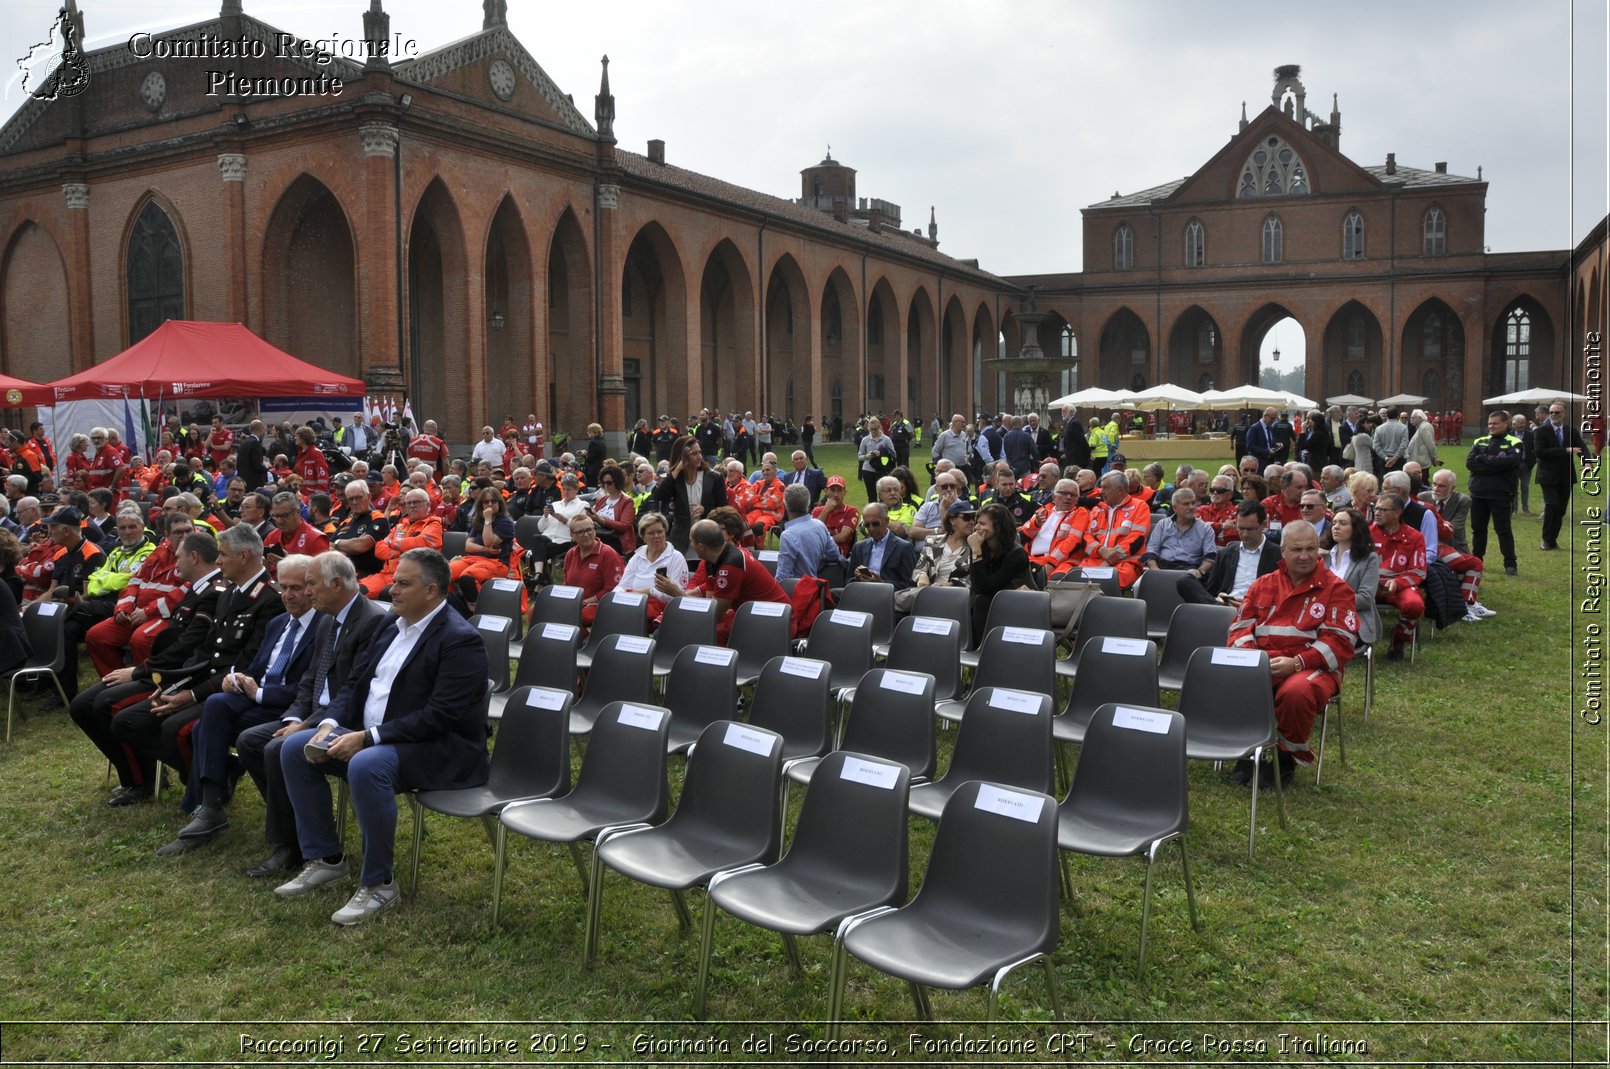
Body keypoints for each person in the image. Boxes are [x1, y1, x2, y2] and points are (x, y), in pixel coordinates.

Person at [277, 549, 490, 924]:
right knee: (294, 746)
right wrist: (329, 724)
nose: (392, 590)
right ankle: (326, 857)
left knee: (367, 764)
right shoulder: (391, 625)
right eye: (394, 581)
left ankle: (380, 883)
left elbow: (440, 717)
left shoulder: (460, 640)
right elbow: (355, 684)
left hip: (439, 748)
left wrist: (367, 737)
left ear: (431, 591)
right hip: (377, 735)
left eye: (403, 583)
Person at [234, 552, 388, 878]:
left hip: (348, 720)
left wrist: (308, 724)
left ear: (335, 583)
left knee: (279, 749)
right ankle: (294, 826)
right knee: (250, 741)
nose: (306, 592)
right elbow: (309, 681)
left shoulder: (371, 620)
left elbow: (354, 690)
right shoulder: (328, 619)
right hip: (318, 714)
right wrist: (293, 719)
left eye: (310, 584)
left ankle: (298, 846)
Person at [157, 553, 320, 856]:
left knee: (207, 726)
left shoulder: (323, 626)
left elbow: (310, 689)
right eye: (283, 587)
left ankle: (207, 807)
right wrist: (235, 678)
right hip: (257, 699)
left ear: (313, 587)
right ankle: (210, 806)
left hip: (288, 708)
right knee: (217, 704)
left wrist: (259, 693)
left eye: (297, 588)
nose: (288, 595)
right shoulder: (279, 623)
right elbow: (255, 667)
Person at [109, 524, 285, 799]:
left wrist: (191, 695)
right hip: (205, 681)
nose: (217, 562)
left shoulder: (270, 599)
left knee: (172, 728)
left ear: (243, 557)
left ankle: (207, 791)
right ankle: (213, 772)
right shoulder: (230, 593)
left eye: (223, 555)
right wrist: (171, 684)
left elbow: (248, 665)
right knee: (127, 721)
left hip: (231, 690)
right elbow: (206, 651)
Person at [1226, 520, 1358, 785]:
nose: (1305, 556)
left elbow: (1341, 641)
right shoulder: (1263, 584)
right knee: (1236, 683)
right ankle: (1248, 752)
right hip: (1263, 663)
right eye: (1297, 549)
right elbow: (1239, 629)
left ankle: (1286, 759)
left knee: (1295, 693)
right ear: (1283, 550)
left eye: (1311, 549)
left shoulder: (1336, 589)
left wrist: (1297, 663)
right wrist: (1254, 660)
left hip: (1314, 669)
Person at [655, 518, 787, 643]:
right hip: (753, 617)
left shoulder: (730, 566)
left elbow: (714, 616)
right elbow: (710, 602)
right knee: (677, 628)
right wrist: (678, 594)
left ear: (700, 546)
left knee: (694, 632)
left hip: (773, 622)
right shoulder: (712, 560)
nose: (690, 544)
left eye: (691, 541)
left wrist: (678, 594)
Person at [1177, 500, 1281, 605]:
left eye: (1250, 529)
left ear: (1263, 525)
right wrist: (1217, 597)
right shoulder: (1226, 554)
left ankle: (1220, 608)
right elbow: (1212, 588)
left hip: (1257, 606)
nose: (1244, 534)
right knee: (1185, 580)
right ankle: (1218, 607)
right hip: (1227, 603)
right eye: (1241, 528)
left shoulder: (1278, 554)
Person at [958, 499, 1030, 638]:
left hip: (1015, 604)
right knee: (968, 599)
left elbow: (987, 587)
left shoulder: (1017, 554)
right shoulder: (982, 547)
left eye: (982, 523)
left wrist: (976, 553)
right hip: (988, 604)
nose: (976, 527)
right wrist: (977, 552)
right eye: (977, 522)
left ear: (998, 527)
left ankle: (981, 649)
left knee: (981, 600)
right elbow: (976, 585)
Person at [1369, 492, 1427, 660]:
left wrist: (1398, 582)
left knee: (1414, 605)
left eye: (1382, 509)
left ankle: (1399, 639)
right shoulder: (1366, 533)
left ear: (1397, 513)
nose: (1376, 513)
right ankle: (1356, 642)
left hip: (1398, 587)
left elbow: (1418, 570)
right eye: (1375, 508)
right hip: (1368, 585)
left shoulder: (1415, 537)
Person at [1466, 410, 1523, 576]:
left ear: (1506, 423)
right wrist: (1497, 465)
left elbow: (1512, 461)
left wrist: (1484, 459)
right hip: (1478, 493)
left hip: (1501, 494)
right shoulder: (1480, 441)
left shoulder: (1515, 442)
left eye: (1495, 423)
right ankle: (1477, 562)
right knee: (1478, 530)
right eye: (1490, 423)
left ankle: (1510, 564)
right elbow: (1470, 463)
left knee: (1503, 530)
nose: (1491, 426)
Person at [363, 489, 444, 597]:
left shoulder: (433, 524)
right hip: (386, 575)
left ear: (427, 504)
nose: (412, 506)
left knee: (387, 594)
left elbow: (420, 543)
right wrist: (400, 552)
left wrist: (391, 543)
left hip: (412, 578)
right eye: (409, 503)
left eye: (416, 502)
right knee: (356, 591)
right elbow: (379, 548)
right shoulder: (401, 525)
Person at [1077, 470, 1151, 590]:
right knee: (1075, 580)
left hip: (1126, 563)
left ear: (1120, 490)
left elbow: (1137, 538)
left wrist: (1109, 560)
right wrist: (1101, 550)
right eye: (1101, 487)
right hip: (1094, 560)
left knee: (1105, 585)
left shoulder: (1139, 507)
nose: (1101, 491)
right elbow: (1087, 536)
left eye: (1105, 488)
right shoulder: (1097, 509)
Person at [449, 486, 519, 611]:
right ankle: (452, 605)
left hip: (496, 563)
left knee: (468, 577)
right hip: (473, 559)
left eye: (494, 501)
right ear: (481, 505)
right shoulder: (478, 521)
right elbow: (468, 546)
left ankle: (476, 609)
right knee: (445, 573)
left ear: (499, 503)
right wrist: (485, 549)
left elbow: (488, 541)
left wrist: (488, 520)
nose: (490, 504)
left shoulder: (505, 522)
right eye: (486, 502)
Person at [652, 436, 725, 553]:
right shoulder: (675, 479)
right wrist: (677, 468)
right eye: (694, 454)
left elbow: (723, 508)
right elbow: (659, 496)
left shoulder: (714, 477)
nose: (699, 457)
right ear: (682, 456)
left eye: (700, 452)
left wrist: (705, 509)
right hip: (681, 540)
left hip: (707, 539)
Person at [614, 510, 689, 624]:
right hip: (634, 605)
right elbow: (623, 586)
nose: (656, 536)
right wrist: (615, 597)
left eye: (660, 531)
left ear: (665, 533)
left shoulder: (676, 557)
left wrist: (649, 591)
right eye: (651, 533)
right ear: (643, 537)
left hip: (662, 612)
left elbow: (678, 596)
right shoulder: (637, 557)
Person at [1321, 507, 1381, 648]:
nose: (1336, 527)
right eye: (1334, 523)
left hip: (1353, 619)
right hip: (1322, 616)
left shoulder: (1369, 558)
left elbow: (1365, 599)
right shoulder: (1323, 556)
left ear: (1356, 528)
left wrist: (1329, 601)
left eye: (1343, 523)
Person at [1535, 402, 1589, 551]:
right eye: (1551, 412)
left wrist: (1587, 463)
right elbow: (1540, 452)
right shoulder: (1541, 431)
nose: (1554, 415)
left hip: (1565, 476)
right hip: (1547, 476)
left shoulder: (1571, 431)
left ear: (1564, 414)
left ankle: (1553, 540)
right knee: (1551, 505)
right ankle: (1545, 540)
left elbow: (1582, 448)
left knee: (1561, 509)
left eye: (1557, 412)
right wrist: (1565, 450)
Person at [906, 498, 976, 605]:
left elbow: (974, 579)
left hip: (956, 597)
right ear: (952, 520)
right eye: (967, 518)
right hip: (928, 592)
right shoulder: (933, 541)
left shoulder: (975, 545)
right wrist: (922, 575)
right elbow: (918, 569)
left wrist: (950, 584)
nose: (972, 522)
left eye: (973, 518)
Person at [562, 512, 625, 626]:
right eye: (581, 532)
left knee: (569, 615)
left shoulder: (608, 553)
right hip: (575, 603)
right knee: (538, 610)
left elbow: (613, 590)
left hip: (599, 605)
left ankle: (582, 641)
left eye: (589, 530)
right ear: (572, 535)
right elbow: (567, 583)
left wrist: (584, 602)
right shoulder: (571, 554)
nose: (586, 534)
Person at [1018, 478, 1088, 577]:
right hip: (1030, 559)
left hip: (1058, 562)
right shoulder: (1044, 509)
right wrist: (1036, 525)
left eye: (1073, 495)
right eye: (1064, 493)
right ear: (1053, 497)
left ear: (1077, 499)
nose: (1068, 497)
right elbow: (1025, 533)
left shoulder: (1080, 513)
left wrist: (1051, 563)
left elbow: (1073, 541)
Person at [775, 483, 844, 582]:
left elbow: (783, 576)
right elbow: (834, 554)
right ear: (808, 502)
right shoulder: (819, 525)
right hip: (814, 586)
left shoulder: (788, 535)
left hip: (795, 590)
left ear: (785, 504)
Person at [1141, 487, 1216, 574]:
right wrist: (1155, 570)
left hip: (1190, 571)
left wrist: (1200, 571)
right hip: (1162, 568)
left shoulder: (1206, 529)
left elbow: (1210, 557)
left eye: (1193, 503)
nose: (1191, 507)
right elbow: (1151, 551)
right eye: (1186, 504)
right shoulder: (1163, 525)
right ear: (1174, 508)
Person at [848, 502, 916, 591]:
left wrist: (881, 583)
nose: (871, 529)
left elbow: (909, 584)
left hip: (889, 597)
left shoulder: (904, 547)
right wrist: (857, 578)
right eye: (867, 525)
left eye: (875, 524)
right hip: (862, 591)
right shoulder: (859, 547)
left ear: (887, 521)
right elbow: (848, 581)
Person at [589, 464, 637, 555]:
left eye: (609, 483)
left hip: (616, 541)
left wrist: (601, 520)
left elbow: (625, 526)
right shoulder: (602, 500)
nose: (606, 485)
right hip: (599, 537)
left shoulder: (627, 501)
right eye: (604, 483)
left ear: (617, 481)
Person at [813, 476, 860, 558]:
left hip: (838, 555)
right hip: (818, 551)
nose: (836, 494)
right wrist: (826, 510)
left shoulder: (851, 511)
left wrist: (821, 541)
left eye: (839, 490)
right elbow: (814, 533)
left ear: (845, 492)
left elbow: (843, 537)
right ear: (826, 492)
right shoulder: (817, 511)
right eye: (833, 490)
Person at [857, 420, 895, 503]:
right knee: (871, 496)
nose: (873, 431)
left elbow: (893, 455)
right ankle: (873, 513)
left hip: (882, 470)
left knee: (883, 495)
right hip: (868, 470)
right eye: (871, 429)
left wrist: (882, 453)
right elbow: (859, 456)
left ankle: (883, 513)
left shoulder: (886, 439)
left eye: (875, 429)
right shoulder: (865, 440)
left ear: (879, 427)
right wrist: (867, 456)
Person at [581, 423, 607, 488]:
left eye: (589, 431)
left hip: (593, 471)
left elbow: (590, 458)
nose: (588, 433)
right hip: (600, 468)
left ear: (593, 432)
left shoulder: (593, 442)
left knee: (591, 487)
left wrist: (584, 454)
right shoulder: (602, 442)